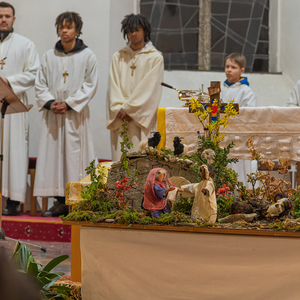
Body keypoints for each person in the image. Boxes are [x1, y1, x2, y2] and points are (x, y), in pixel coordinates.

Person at [34, 11, 98, 217]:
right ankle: (59, 202)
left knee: (75, 159)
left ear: (77, 30)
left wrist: (69, 104)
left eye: (69, 27)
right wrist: (51, 102)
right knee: (54, 158)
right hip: (53, 116)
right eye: (61, 27)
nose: (64, 30)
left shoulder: (88, 56)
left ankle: (77, 204)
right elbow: (40, 84)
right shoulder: (48, 56)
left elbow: (91, 85)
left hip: (74, 117)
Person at [106, 14, 164, 161]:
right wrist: (119, 107)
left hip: (140, 119)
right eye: (130, 31)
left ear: (145, 31)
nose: (133, 34)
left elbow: (150, 89)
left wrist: (130, 110)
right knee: (120, 161)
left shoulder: (155, 58)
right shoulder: (118, 57)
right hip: (121, 118)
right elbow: (113, 85)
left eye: (137, 30)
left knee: (140, 160)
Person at [0, 2, 40, 215]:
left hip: (12, 106)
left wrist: (8, 80)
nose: (3, 19)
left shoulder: (26, 45)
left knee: (14, 151)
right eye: (0, 16)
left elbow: (33, 73)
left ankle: (13, 202)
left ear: (14, 19)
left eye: (7, 16)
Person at [221, 53, 257, 189]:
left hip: (239, 140)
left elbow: (250, 116)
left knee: (239, 172)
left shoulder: (246, 92)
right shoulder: (219, 89)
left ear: (242, 70)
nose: (229, 70)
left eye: (233, 67)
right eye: (227, 66)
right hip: (222, 137)